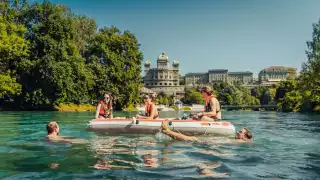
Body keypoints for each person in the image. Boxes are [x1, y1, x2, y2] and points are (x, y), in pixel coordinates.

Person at [160, 120, 253, 142]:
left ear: (244, 137)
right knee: (192, 139)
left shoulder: (242, 142)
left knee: (192, 139)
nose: (237, 132)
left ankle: (167, 131)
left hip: (210, 144)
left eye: (240, 132)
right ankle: (167, 132)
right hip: (212, 143)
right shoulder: (240, 141)